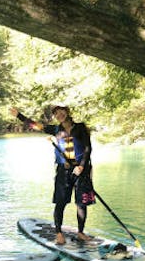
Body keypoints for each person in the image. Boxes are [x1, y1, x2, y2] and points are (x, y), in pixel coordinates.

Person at [10, 105, 95, 245]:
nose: (59, 115)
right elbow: (35, 125)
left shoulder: (80, 128)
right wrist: (19, 115)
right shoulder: (55, 129)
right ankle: (59, 233)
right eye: (56, 113)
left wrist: (81, 166)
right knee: (60, 202)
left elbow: (87, 148)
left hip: (82, 171)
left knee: (81, 203)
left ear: (67, 112)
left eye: (61, 112)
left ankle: (80, 232)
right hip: (64, 171)